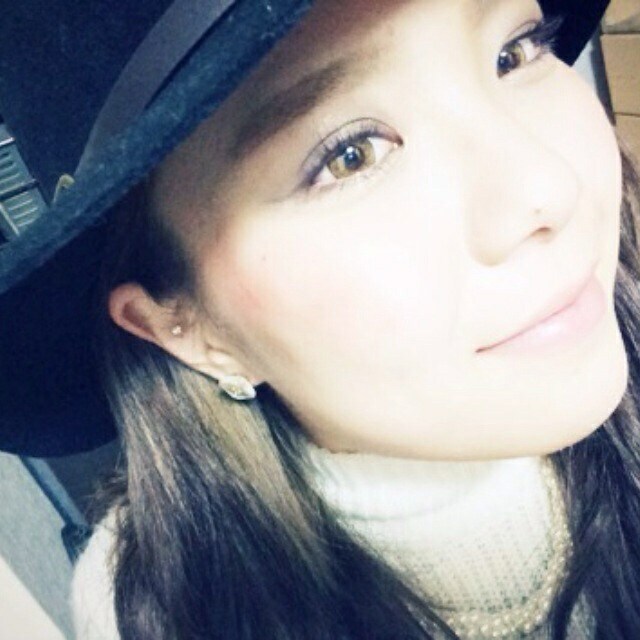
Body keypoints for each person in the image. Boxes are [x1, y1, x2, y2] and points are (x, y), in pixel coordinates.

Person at [1, 0, 639, 638]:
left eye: (514, 52)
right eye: (350, 155)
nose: (548, 187)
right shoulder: (157, 610)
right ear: (188, 328)